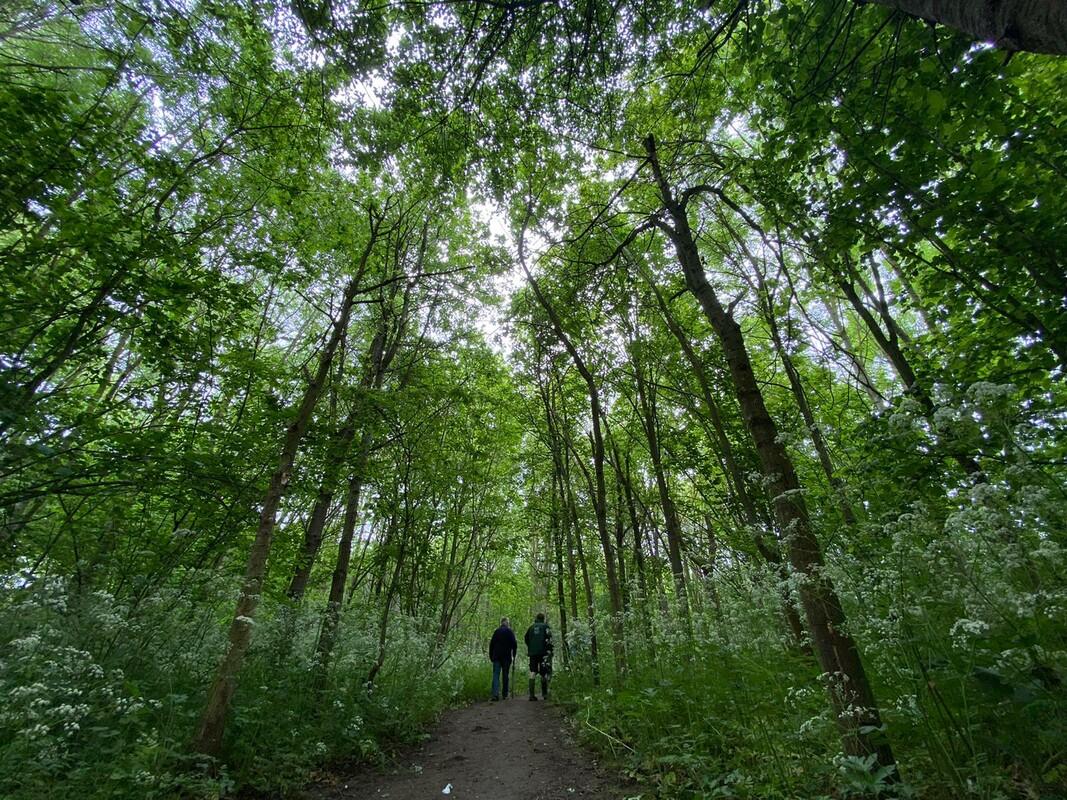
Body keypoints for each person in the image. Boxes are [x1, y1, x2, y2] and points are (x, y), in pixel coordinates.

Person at [524, 612, 553, 701]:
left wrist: (531, 647)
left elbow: (526, 638)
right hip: (543, 653)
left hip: (533, 653)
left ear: (536, 618)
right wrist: (550, 651)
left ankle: (531, 695)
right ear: (543, 618)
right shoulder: (545, 627)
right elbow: (550, 640)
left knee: (533, 671)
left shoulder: (531, 627)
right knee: (543, 673)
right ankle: (544, 694)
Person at [488, 616, 517, 701]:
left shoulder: (496, 631)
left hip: (496, 656)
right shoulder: (510, 631)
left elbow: (491, 644)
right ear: (506, 623)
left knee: (496, 675)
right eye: (508, 622)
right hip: (506, 657)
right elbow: (514, 644)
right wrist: (514, 655)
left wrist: (491, 656)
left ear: (501, 623)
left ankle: (495, 694)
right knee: (505, 675)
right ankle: (505, 694)